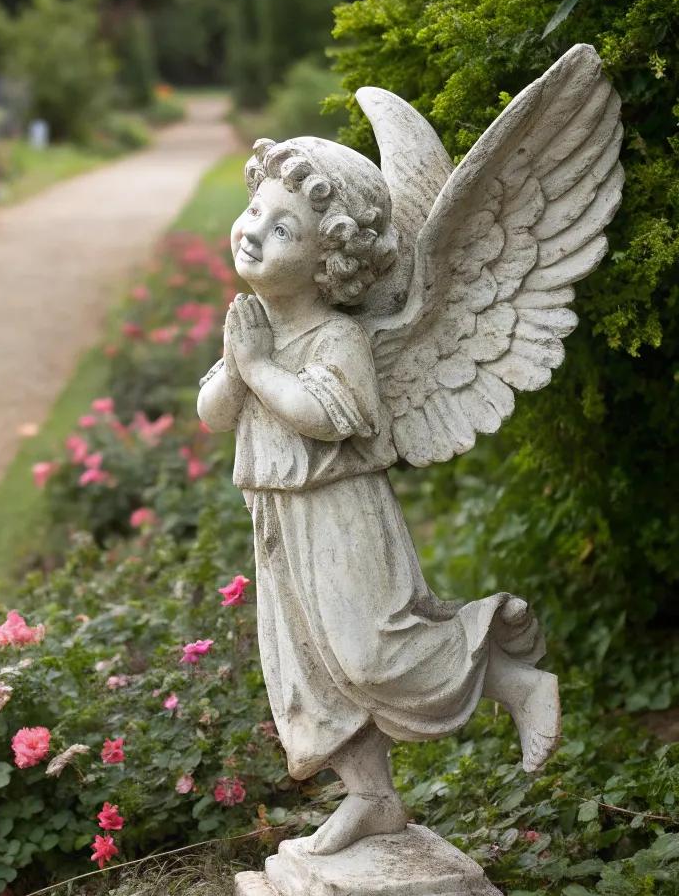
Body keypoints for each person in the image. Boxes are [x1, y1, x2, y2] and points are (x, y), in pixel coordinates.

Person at [197, 135, 559, 855]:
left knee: (369, 654)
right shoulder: (257, 326)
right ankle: (372, 798)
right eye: (255, 212)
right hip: (279, 517)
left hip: (341, 514)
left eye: (282, 229)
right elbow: (213, 411)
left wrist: (260, 368)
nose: (255, 232)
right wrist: (241, 367)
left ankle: (513, 680)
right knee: (308, 670)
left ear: (329, 261)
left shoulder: (339, 340)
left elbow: (328, 417)